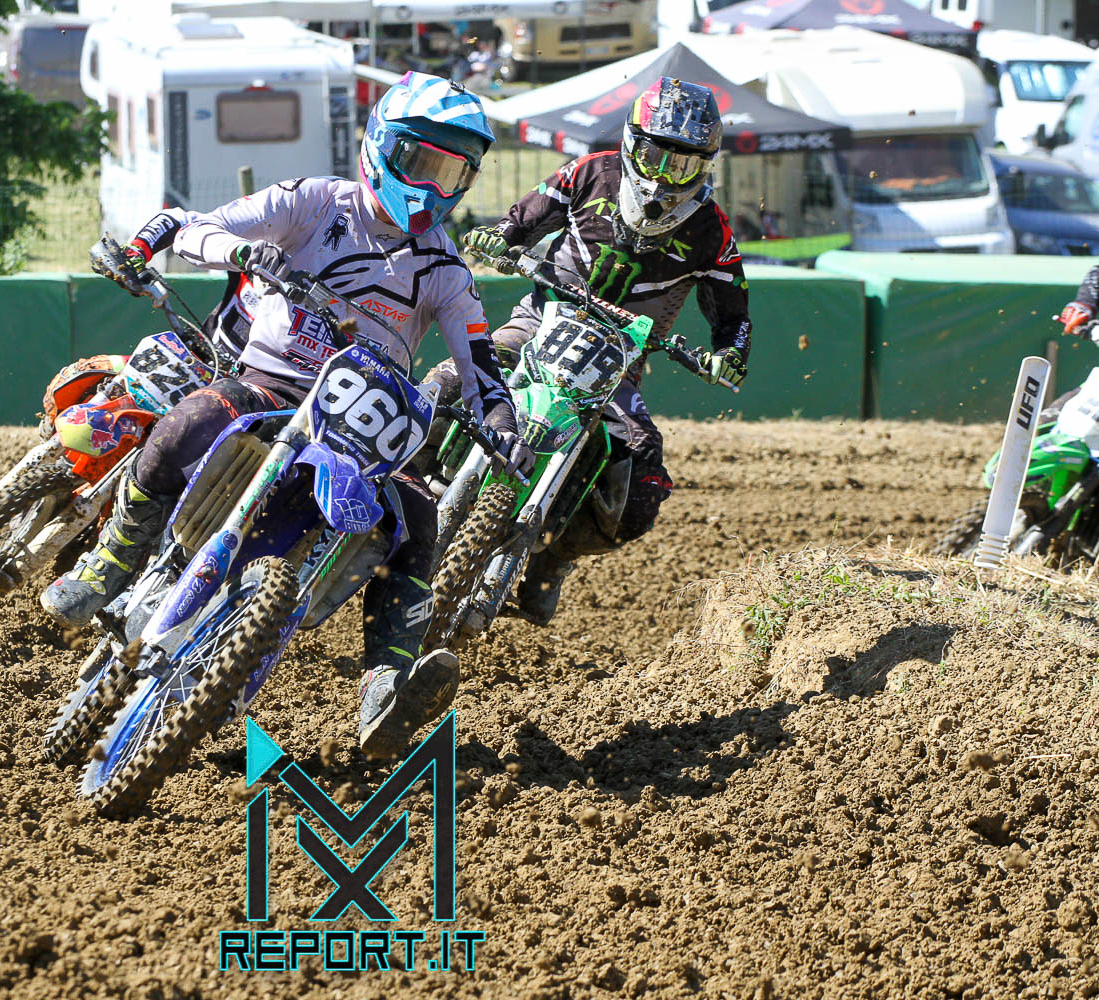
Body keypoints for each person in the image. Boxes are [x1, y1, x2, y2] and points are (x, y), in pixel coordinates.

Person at [42, 73, 533, 758]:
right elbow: (199, 229)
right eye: (421, 161)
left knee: (420, 517)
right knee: (191, 419)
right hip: (273, 384)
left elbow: (480, 365)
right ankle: (111, 561)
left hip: (359, 430)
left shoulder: (447, 272)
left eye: (450, 173)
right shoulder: (314, 201)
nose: (430, 186)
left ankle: (385, 682)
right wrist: (243, 252)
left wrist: (504, 426)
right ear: (382, 146)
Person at [449, 76, 753, 624]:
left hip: (618, 364)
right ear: (632, 143)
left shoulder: (713, 232)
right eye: (656, 157)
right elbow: (521, 220)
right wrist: (500, 238)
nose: (664, 176)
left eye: (683, 164)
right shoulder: (590, 172)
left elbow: (734, 317)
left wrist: (729, 354)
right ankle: (399, 491)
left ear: (706, 166)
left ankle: (554, 557)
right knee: (449, 380)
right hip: (540, 321)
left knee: (642, 481)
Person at [104, 207, 253, 358]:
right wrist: (137, 250)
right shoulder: (264, 218)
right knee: (105, 367)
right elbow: (186, 221)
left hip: (254, 369)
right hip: (205, 355)